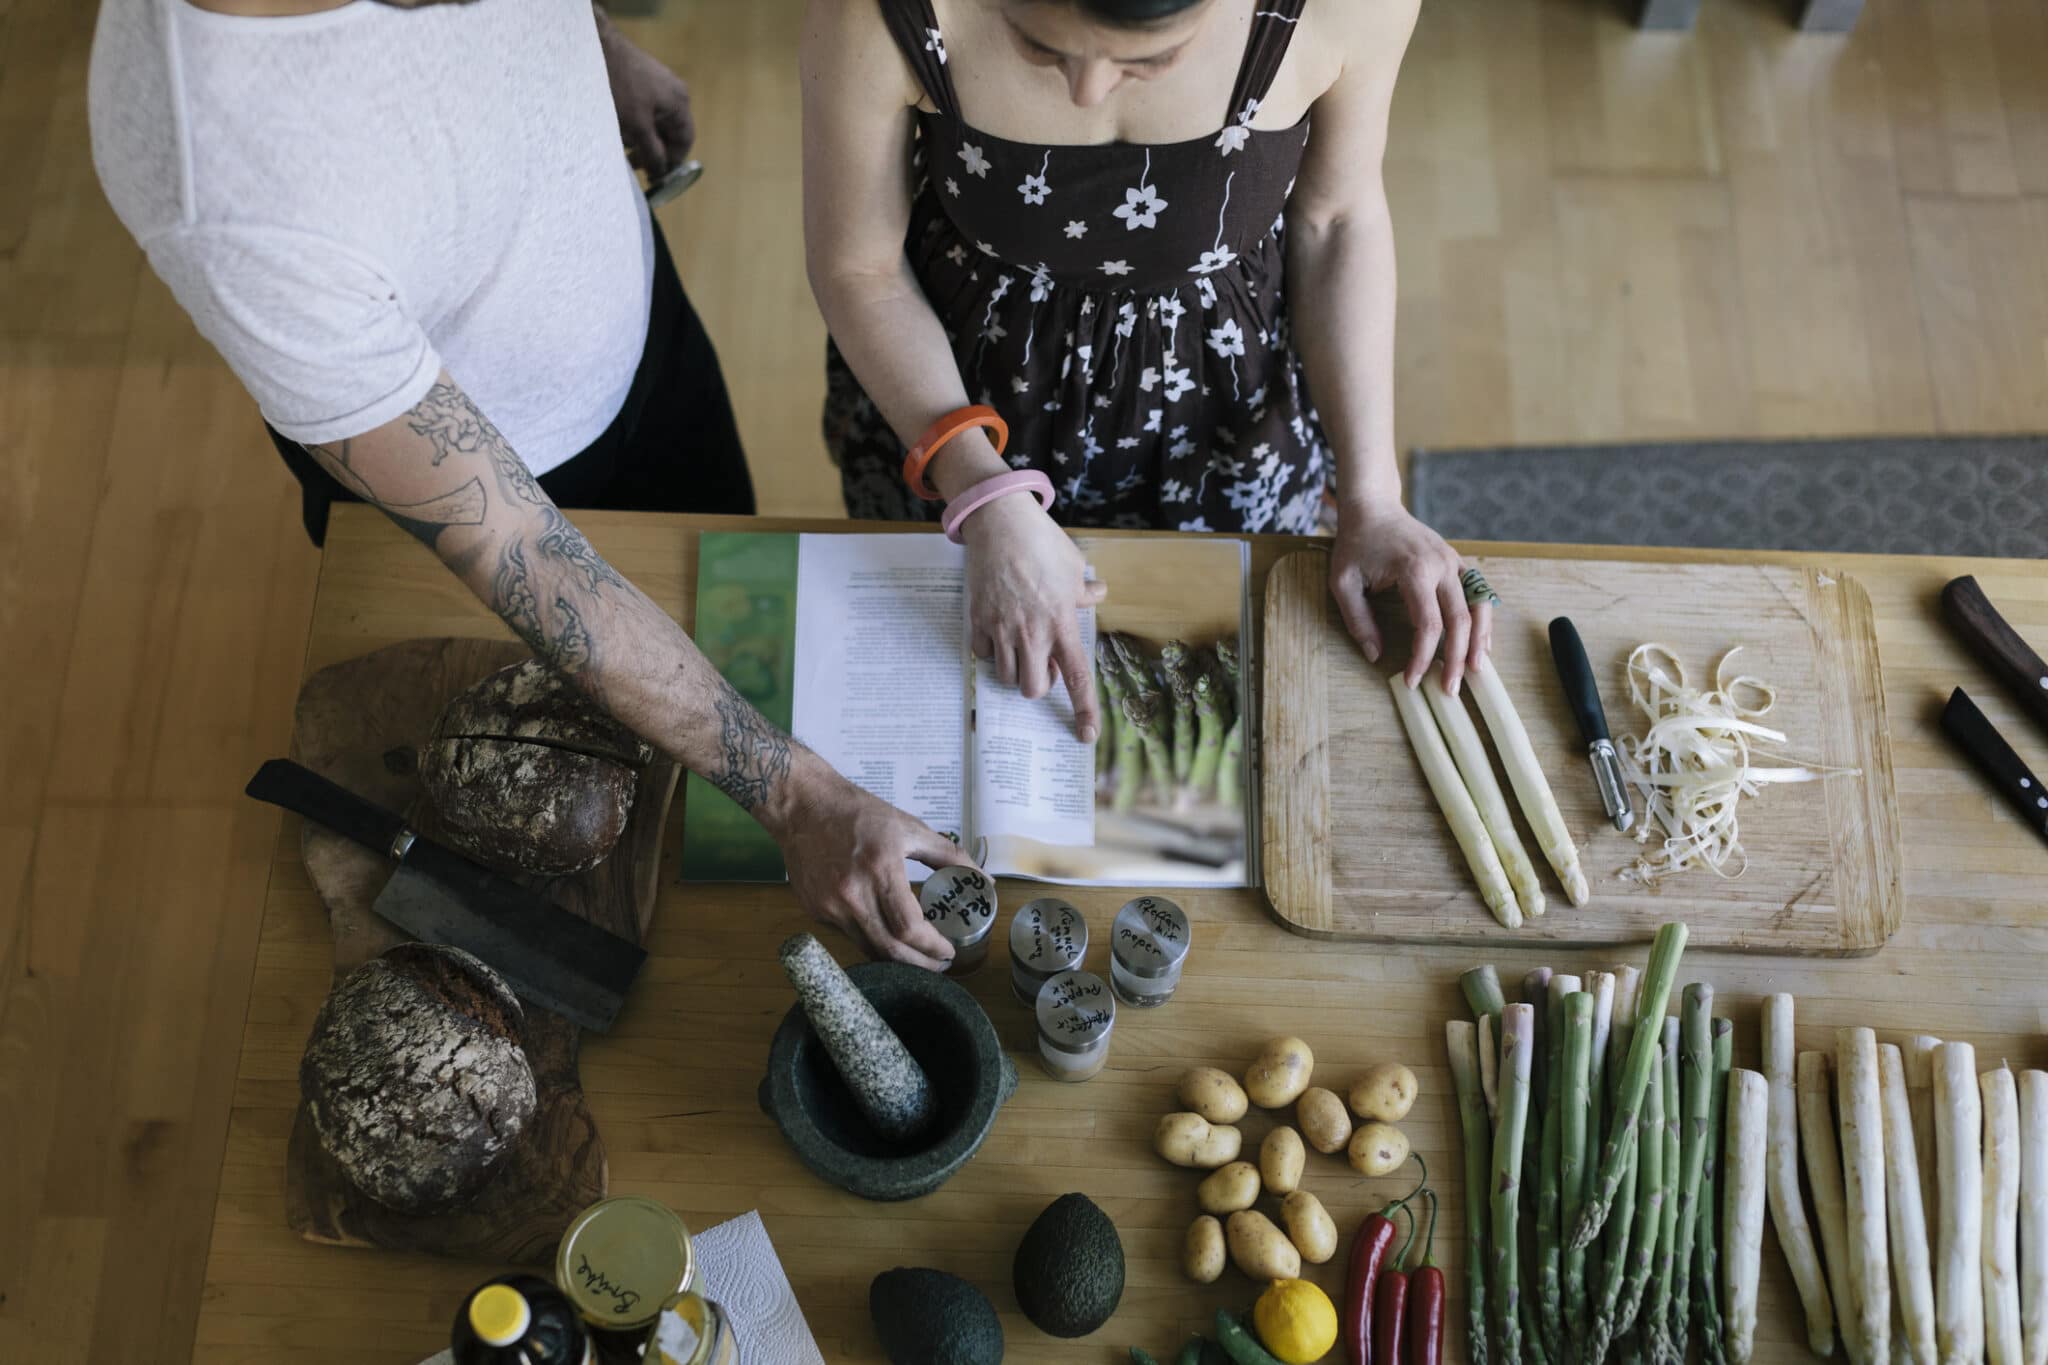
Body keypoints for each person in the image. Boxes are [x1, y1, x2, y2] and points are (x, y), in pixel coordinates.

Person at [89, 0, 972, 969]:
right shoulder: (216, 179)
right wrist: (799, 797)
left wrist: (587, 41)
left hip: (643, 331)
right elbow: (516, 546)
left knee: (723, 662)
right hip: (514, 502)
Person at [804, 0, 1497, 730]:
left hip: (1223, 417)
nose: (1087, 89)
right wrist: (981, 492)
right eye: (1037, 45)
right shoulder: (876, 11)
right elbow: (862, 271)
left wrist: (1374, 498)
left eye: (1148, 60)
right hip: (964, 403)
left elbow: (1336, 220)